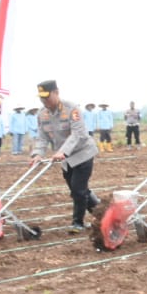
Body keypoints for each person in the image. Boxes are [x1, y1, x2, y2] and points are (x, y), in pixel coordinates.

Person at [32, 80, 100, 234]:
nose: (44, 101)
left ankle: (78, 223)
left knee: (78, 189)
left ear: (56, 93)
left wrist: (63, 151)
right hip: (64, 158)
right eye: (41, 98)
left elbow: (77, 134)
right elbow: (42, 137)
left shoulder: (72, 109)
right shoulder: (42, 113)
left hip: (82, 153)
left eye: (47, 97)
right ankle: (101, 211)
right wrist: (37, 154)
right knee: (78, 190)